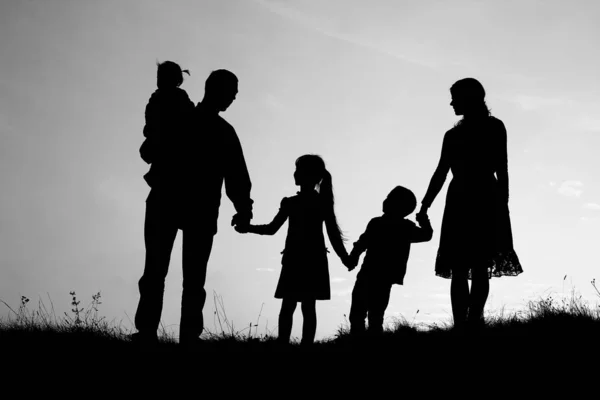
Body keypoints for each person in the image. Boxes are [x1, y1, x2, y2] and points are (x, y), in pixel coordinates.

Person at [133, 69, 254, 346]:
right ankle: (180, 336)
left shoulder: (185, 120)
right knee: (178, 276)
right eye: (231, 93)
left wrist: (244, 207)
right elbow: (237, 175)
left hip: (173, 202)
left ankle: (155, 334)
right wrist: (243, 209)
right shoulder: (218, 130)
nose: (233, 99)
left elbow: (236, 175)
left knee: (163, 273)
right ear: (215, 89)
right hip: (189, 205)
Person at [417, 77, 523, 330]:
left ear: (470, 98)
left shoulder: (490, 128)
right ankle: (465, 322)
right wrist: (425, 204)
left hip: (477, 198)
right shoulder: (456, 134)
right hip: (475, 198)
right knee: (467, 264)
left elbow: (501, 167)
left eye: (455, 97)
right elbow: (441, 172)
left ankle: (471, 320)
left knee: (473, 264)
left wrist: (503, 203)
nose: (451, 102)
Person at [235, 154, 349, 346]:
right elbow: (333, 236)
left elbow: (271, 229)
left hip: (295, 260)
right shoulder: (318, 203)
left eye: (298, 170)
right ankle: (304, 345)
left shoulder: (292, 203)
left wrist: (248, 228)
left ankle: (283, 344)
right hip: (313, 260)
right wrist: (345, 258)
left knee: (289, 306)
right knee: (307, 307)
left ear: (307, 175)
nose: (295, 173)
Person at [347, 186, 433, 335]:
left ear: (398, 205)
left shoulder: (383, 224)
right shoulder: (404, 227)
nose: (385, 201)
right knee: (371, 314)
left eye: (389, 198)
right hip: (380, 276)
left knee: (363, 313)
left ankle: (358, 341)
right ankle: (365, 340)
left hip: (370, 274)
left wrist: (354, 257)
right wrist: (424, 220)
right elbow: (426, 235)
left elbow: (362, 243)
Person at [139, 61, 194, 188]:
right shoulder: (156, 98)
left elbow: (187, 116)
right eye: (158, 77)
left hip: (171, 145)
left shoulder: (178, 95)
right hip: (162, 144)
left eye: (161, 76)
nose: (158, 80)